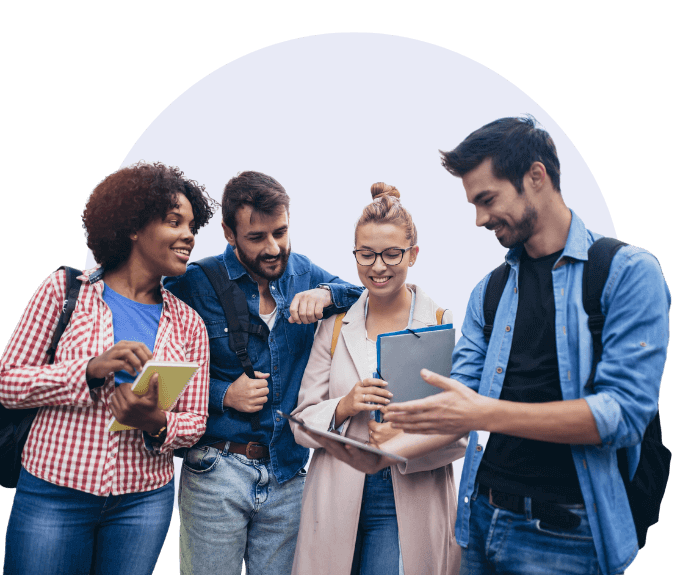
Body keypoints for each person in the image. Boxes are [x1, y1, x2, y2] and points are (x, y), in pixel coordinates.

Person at [374, 116, 670, 574]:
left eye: (487, 200)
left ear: (536, 176)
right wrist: (381, 452)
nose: (479, 220)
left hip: (569, 537)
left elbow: (624, 414)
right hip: (479, 523)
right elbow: (460, 404)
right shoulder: (488, 292)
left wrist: (483, 414)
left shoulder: (627, 273)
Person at [0, 162, 215, 575]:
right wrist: (89, 370)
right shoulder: (65, 292)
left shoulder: (190, 323)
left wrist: (155, 421)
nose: (188, 235)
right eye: (175, 222)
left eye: (192, 225)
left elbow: (195, 418)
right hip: (53, 492)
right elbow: (8, 383)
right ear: (133, 227)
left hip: (143, 503)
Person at [163, 170, 365, 575]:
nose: (274, 247)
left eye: (281, 232)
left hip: (289, 473)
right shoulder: (194, 283)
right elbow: (161, 382)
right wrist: (223, 394)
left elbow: (367, 295)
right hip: (216, 470)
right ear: (228, 232)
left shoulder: (305, 273)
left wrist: (327, 294)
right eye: (257, 237)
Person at [290, 182, 468, 575]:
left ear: (414, 254)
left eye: (391, 254)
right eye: (366, 254)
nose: (378, 267)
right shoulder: (335, 325)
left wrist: (401, 442)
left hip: (410, 491)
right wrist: (344, 404)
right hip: (336, 494)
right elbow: (301, 423)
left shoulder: (439, 324)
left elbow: (460, 433)